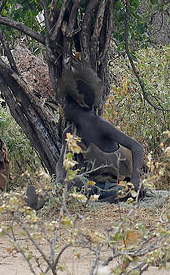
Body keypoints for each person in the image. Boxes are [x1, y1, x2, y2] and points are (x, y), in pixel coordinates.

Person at [55, 63, 145, 201]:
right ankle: (107, 200)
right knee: (75, 184)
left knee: (129, 193)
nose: (63, 110)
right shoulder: (70, 132)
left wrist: (135, 180)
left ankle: (114, 199)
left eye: (65, 104)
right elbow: (61, 166)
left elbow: (136, 147)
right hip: (90, 187)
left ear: (74, 105)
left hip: (112, 185)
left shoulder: (100, 125)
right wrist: (60, 183)